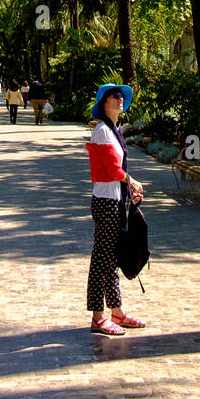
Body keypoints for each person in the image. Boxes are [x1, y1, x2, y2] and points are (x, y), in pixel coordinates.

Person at [85, 84, 146, 336]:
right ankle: (98, 317)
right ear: (103, 103)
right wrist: (130, 180)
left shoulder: (115, 131)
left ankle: (117, 312)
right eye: (114, 96)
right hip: (105, 203)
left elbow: (114, 171)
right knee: (102, 259)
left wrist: (128, 189)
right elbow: (111, 170)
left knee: (111, 259)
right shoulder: (102, 131)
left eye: (122, 96)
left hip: (114, 201)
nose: (120, 99)